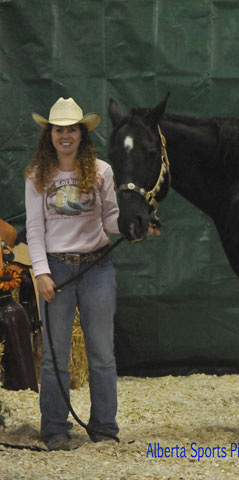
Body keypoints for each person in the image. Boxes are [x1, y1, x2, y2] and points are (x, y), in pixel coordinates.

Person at [25, 97, 120, 451]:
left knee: (102, 353)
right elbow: (34, 229)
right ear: (49, 134)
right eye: (59, 129)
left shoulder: (101, 171)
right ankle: (54, 429)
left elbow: (110, 219)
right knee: (54, 357)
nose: (65, 135)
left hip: (98, 266)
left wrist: (133, 224)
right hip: (57, 268)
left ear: (82, 133)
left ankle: (105, 428)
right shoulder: (38, 175)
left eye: (72, 129)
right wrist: (41, 272)